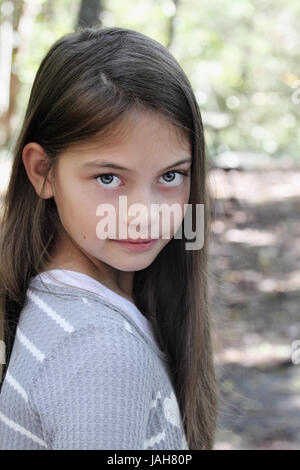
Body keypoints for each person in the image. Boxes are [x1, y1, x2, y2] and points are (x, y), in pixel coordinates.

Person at [0, 25, 217, 450]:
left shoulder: (61, 309)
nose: (144, 215)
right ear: (42, 171)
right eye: (109, 177)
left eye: (171, 175)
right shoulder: (100, 353)